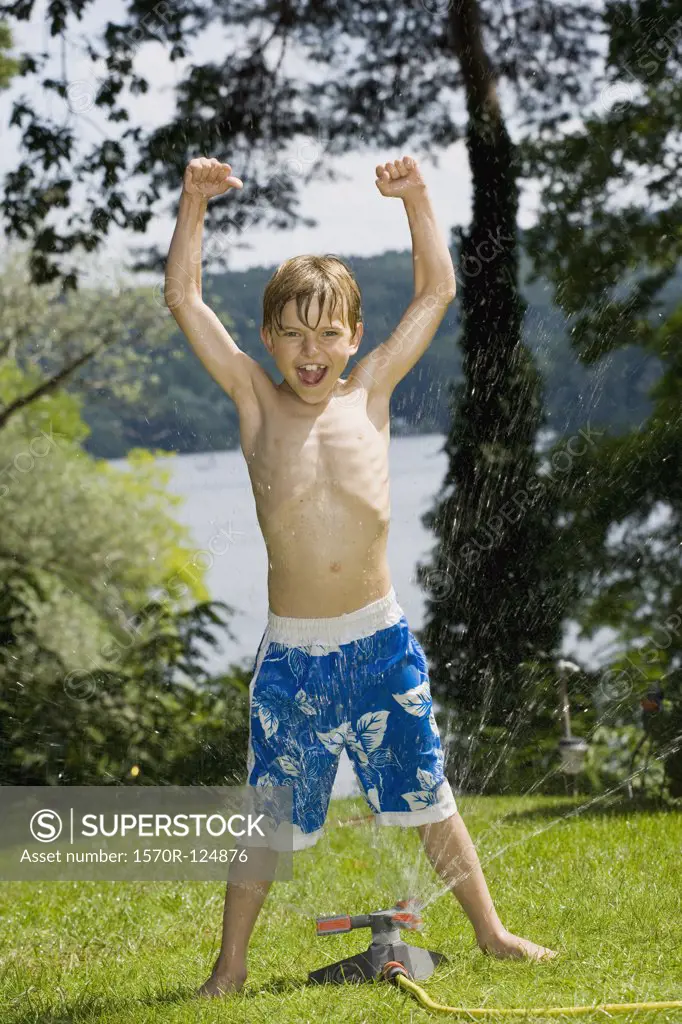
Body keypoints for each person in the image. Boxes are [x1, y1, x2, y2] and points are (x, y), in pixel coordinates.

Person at [164, 155, 558, 998]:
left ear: (353, 335)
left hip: (378, 643)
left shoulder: (371, 391)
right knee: (270, 824)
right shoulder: (254, 402)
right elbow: (185, 301)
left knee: (428, 795)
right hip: (295, 659)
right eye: (294, 334)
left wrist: (416, 198)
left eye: (329, 332)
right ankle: (228, 969)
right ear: (268, 340)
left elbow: (435, 292)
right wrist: (195, 203)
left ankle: (490, 933)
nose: (312, 351)